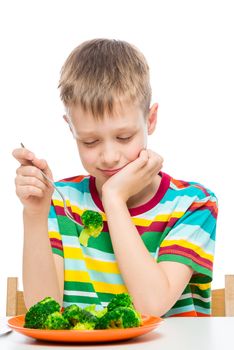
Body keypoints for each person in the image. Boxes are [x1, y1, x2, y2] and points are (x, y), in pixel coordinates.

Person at [12, 39, 218, 317]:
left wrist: (114, 199)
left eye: (124, 137)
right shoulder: (60, 202)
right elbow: (44, 312)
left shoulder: (194, 204)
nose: (109, 156)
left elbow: (152, 306)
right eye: (90, 141)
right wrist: (35, 215)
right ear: (71, 129)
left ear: (151, 119)